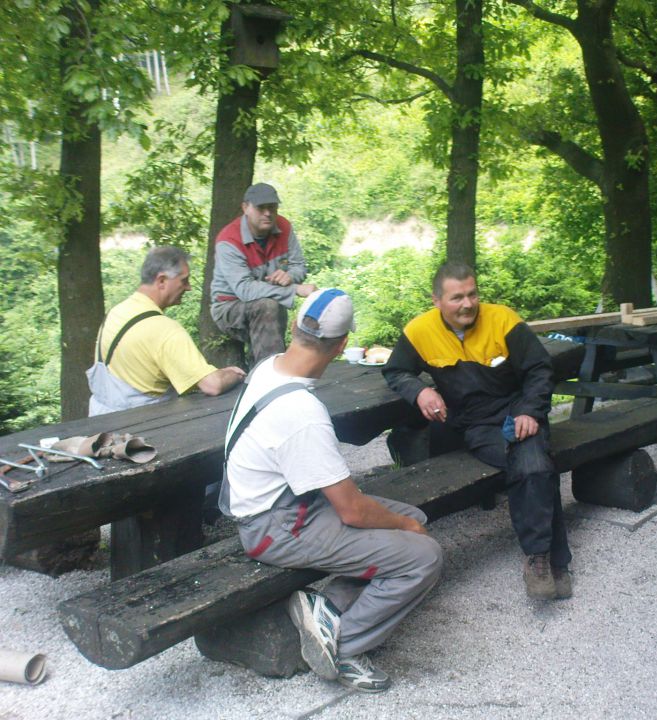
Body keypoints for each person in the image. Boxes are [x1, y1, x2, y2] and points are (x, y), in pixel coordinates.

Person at [219, 288, 442, 693]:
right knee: (423, 554)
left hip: (285, 505)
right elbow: (353, 512)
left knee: (416, 519)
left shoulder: (270, 366)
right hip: (276, 527)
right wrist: (405, 529)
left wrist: (406, 523)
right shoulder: (302, 413)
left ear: (295, 328)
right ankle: (343, 646)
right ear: (341, 345)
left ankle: (327, 610)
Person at [383, 261, 572, 600]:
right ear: (437, 300)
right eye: (457, 298)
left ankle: (541, 560)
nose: (468, 304)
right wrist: (420, 391)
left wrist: (530, 410)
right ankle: (555, 561)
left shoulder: (503, 320)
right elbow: (396, 371)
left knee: (533, 465)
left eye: (472, 294)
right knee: (532, 466)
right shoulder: (419, 331)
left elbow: (541, 369)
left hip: (518, 412)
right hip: (475, 423)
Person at [87, 246, 245, 416]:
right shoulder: (165, 330)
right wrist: (233, 374)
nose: (188, 287)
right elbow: (212, 385)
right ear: (161, 280)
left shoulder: (117, 312)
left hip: (99, 421)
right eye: (184, 281)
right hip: (140, 428)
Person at [210, 182, 317, 364]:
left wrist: (290, 276)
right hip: (228, 308)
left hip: (267, 305)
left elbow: (299, 265)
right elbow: (245, 290)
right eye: (261, 208)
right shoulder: (228, 240)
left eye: (272, 207)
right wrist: (295, 289)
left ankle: (264, 369)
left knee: (271, 304)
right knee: (268, 305)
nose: (268, 213)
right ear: (246, 208)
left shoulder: (284, 227)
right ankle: (273, 377)